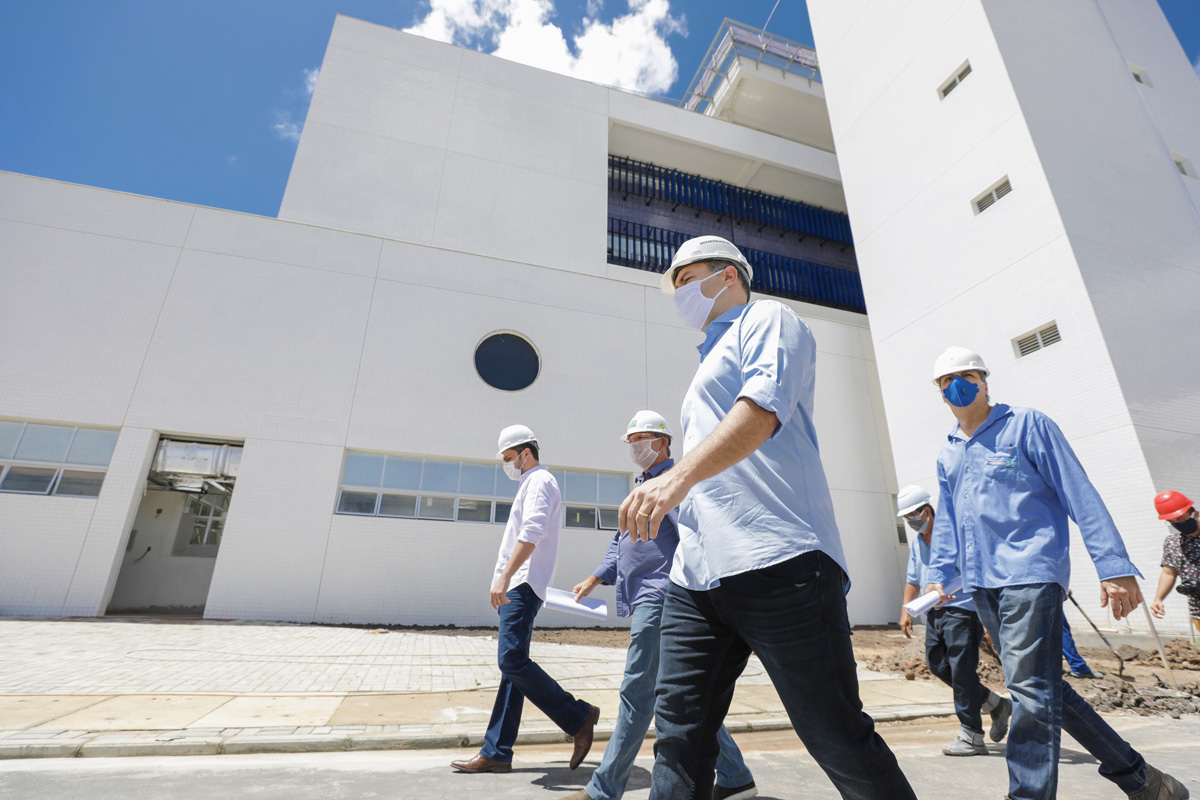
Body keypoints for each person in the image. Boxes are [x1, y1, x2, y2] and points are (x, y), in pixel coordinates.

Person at [620, 235, 917, 800]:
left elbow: (761, 411)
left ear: (728, 274)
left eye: (687, 278)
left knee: (833, 731)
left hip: (780, 558)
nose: (679, 292)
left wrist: (676, 476)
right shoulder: (707, 356)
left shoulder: (770, 320)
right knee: (679, 732)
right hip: (698, 575)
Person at [923, 346, 1187, 800]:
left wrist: (1114, 566)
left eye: (968, 375)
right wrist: (938, 576)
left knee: (1027, 689)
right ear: (940, 393)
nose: (959, 385)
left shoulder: (1027, 425)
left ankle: (1027, 794)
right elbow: (946, 521)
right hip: (982, 584)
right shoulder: (949, 452)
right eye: (948, 380)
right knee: (1043, 689)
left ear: (985, 380)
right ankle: (1143, 781)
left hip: (1030, 573)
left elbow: (1077, 491)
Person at [563, 411, 757, 800]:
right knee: (680, 698)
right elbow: (621, 540)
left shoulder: (676, 483)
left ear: (663, 442)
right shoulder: (644, 485)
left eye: (643, 438)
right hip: (645, 597)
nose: (636, 446)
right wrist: (596, 577)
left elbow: (696, 534)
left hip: (662, 595)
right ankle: (736, 779)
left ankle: (603, 790)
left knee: (638, 694)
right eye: (631, 440)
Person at [451, 425, 599, 774]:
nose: (507, 465)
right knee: (512, 670)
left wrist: (504, 577)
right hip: (518, 585)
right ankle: (497, 751)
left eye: (508, 458)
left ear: (525, 453)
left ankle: (579, 717)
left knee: (512, 660)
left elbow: (533, 530)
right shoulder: (529, 484)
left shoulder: (539, 482)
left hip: (522, 585)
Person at [896, 484, 1011, 756]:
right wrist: (905, 609)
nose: (910, 522)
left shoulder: (954, 537)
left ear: (926, 511)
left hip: (962, 611)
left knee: (962, 672)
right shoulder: (917, 544)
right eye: (906, 518)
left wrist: (955, 592)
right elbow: (913, 579)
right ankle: (996, 703)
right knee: (937, 665)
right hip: (932, 612)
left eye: (912, 516)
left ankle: (972, 735)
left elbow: (974, 572)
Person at [1149, 490, 1200, 633]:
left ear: (1194, 513)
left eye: (1182, 518)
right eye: (1173, 521)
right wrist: (1158, 598)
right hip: (1198, 609)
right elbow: (1168, 573)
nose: (1178, 523)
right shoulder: (1172, 543)